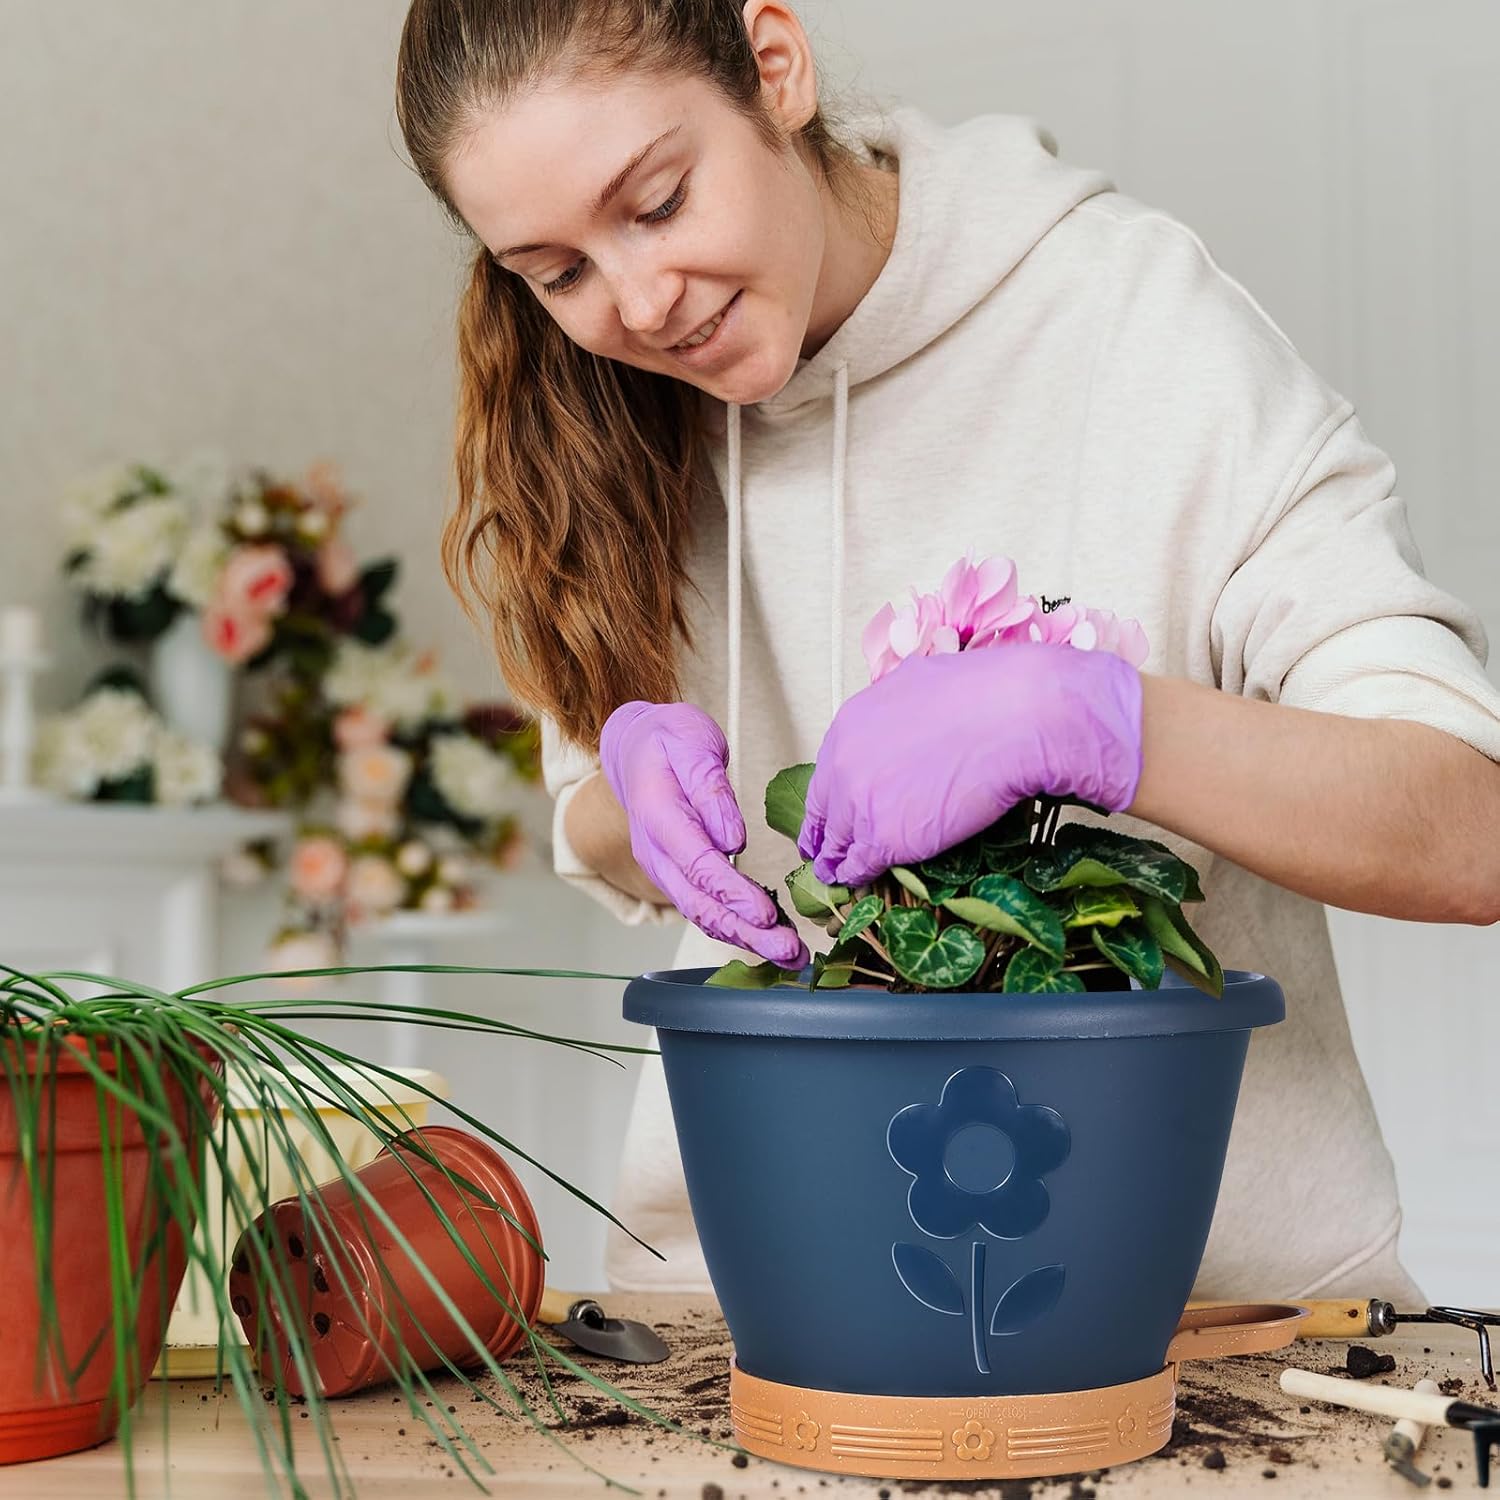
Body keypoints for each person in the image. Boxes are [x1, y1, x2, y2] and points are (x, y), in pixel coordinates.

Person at [395, 0, 1500, 1301]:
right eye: (557, 271)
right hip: (739, 1301)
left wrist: (1084, 721)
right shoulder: (600, 414)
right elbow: (587, 803)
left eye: (659, 200)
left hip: (1208, 1312)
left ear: (776, 66)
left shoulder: (1131, 323)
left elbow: (1467, 830)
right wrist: (624, 808)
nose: (638, 301)